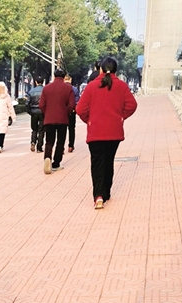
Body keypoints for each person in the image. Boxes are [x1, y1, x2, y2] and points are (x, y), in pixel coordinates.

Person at [76, 57, 138, 210]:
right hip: (114, 132)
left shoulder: (91, 86)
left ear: (100, 69)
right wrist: (121, 117)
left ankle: (98, 195)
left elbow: (80, 109)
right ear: (116, 70)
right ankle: (106, 192)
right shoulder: (122, 86)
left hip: (95, 132)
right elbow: (132, 105)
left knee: (97, 162)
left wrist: (89, 120)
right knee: (109, 161)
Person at [39, 68, 75, 174]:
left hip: (49, 118)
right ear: (64, 77)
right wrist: (65, 112)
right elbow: (71, 105)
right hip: (62, 119)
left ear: (54, 76)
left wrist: (47, 112)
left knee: (49, 141)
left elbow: (41, 105)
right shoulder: (68, 88)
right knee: (60, 141)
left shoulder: (46, 88)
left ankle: (47, 157)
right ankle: (56, 163)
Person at [26, 76, 45, 152]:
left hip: (33, 112)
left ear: (36, 82)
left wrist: (30, 111)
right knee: (41, 130)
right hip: (42, 112)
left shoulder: (31, 91)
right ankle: (39, 147)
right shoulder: (45, 90)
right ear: (43, 82)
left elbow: (27, 103)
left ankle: (33, 142)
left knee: (34, 129)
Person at [64, 74, 80, 153]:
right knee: (71, 129)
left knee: (62, 130)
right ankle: (71, 145)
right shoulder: (75, 89)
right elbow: (77, 101)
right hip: (71, 111)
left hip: (62, 112)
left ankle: (61, 147)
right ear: (70, 80)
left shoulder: (61, 88)